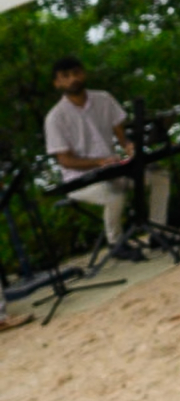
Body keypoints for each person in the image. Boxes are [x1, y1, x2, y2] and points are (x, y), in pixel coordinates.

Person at [44, 55, 171, 256]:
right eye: (65, 76)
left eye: (76, 73)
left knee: (160, 177)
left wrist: (130, 148)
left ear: (83, 73)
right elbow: (64, 160)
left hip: (113, 170)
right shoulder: (55, 118)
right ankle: (116, 244)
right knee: (114, 196)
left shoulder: (103, 98)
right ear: (57, 83)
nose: (72, 79)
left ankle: (157, 232)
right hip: (80, 181)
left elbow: (122, 138)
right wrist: (99, 161)